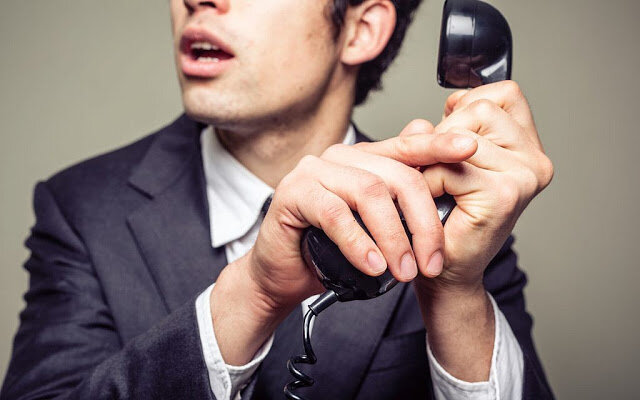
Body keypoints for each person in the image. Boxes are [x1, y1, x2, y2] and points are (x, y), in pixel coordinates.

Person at [0, 0, 555, 399]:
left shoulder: (452, 218)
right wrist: (253, 293)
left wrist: (454, 291)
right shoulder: (81, 209)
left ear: (360, 29)